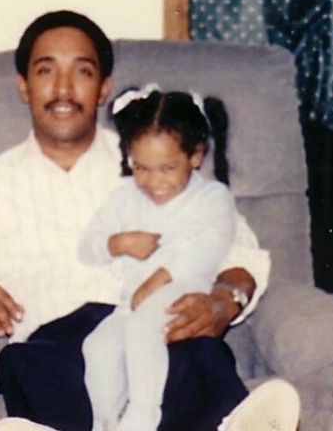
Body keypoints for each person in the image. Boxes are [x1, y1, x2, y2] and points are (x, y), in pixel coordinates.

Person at [0, 9, 292, 431]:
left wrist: (223, 300)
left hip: (151, 329)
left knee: (196, 354)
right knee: (25, 364)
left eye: (83, 72)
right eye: (46, 70)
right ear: (23, 86)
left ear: (103, 88)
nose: (64, 89)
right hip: (56, 348)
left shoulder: (151, 164)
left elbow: (239, 252)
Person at [78, 84, 245, 431]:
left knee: (142, 329)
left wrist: (159, 279)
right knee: (98, 346)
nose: (153, 181)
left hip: (184, 290)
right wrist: (118, 243)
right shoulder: (125, 197)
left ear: (195, 156)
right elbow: (87, 247)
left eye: (167, 168)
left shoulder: (211, 197)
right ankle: (105, 423)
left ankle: (143, 416)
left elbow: (207, 247)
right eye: (141, 168)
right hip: (133, 302)